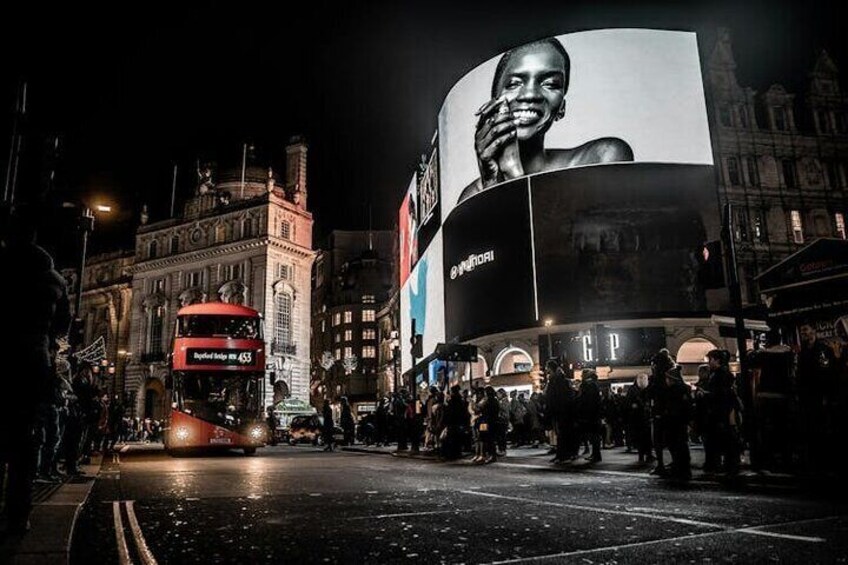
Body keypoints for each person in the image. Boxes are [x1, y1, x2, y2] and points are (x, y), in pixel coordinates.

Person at [459, 37, 633, 203]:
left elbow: (590, 234)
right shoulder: (473, 193)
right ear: (492, 102)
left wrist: (513, 175)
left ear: (561, 107)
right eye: (514, 83)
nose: (530, 94)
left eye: (550, 84)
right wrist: (492, 185)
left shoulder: (601, 158)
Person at [0, 202, 70, 536]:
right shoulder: (53, 278)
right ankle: (18, 512)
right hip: (32, 358)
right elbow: (62, 325)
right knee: (26, 437)